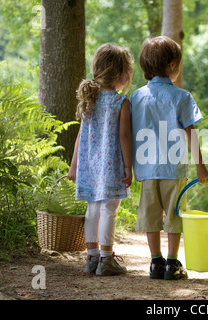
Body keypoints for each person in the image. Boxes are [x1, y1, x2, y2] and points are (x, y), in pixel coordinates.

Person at [130, 36, 208, 280]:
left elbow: (126, 134)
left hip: (145, 169)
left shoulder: (135, 97)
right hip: (174, 169)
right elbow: (191, 134)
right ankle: (173, 264)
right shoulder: (182, 97)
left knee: (150, 215)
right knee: (175, 215)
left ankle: (155, 262)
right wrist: (201, 167)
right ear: (172, 64)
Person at [67, 43, 134, 276]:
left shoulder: (89, 99)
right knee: (109, 210)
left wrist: (73, 166)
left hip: (89, 166)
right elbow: (124, 136)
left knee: (92, 210)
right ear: (120, 74)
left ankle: (91, 259)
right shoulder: (120, 102)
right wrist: (128, 166)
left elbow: (79, 137)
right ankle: (106, 259)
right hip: (111, 166)